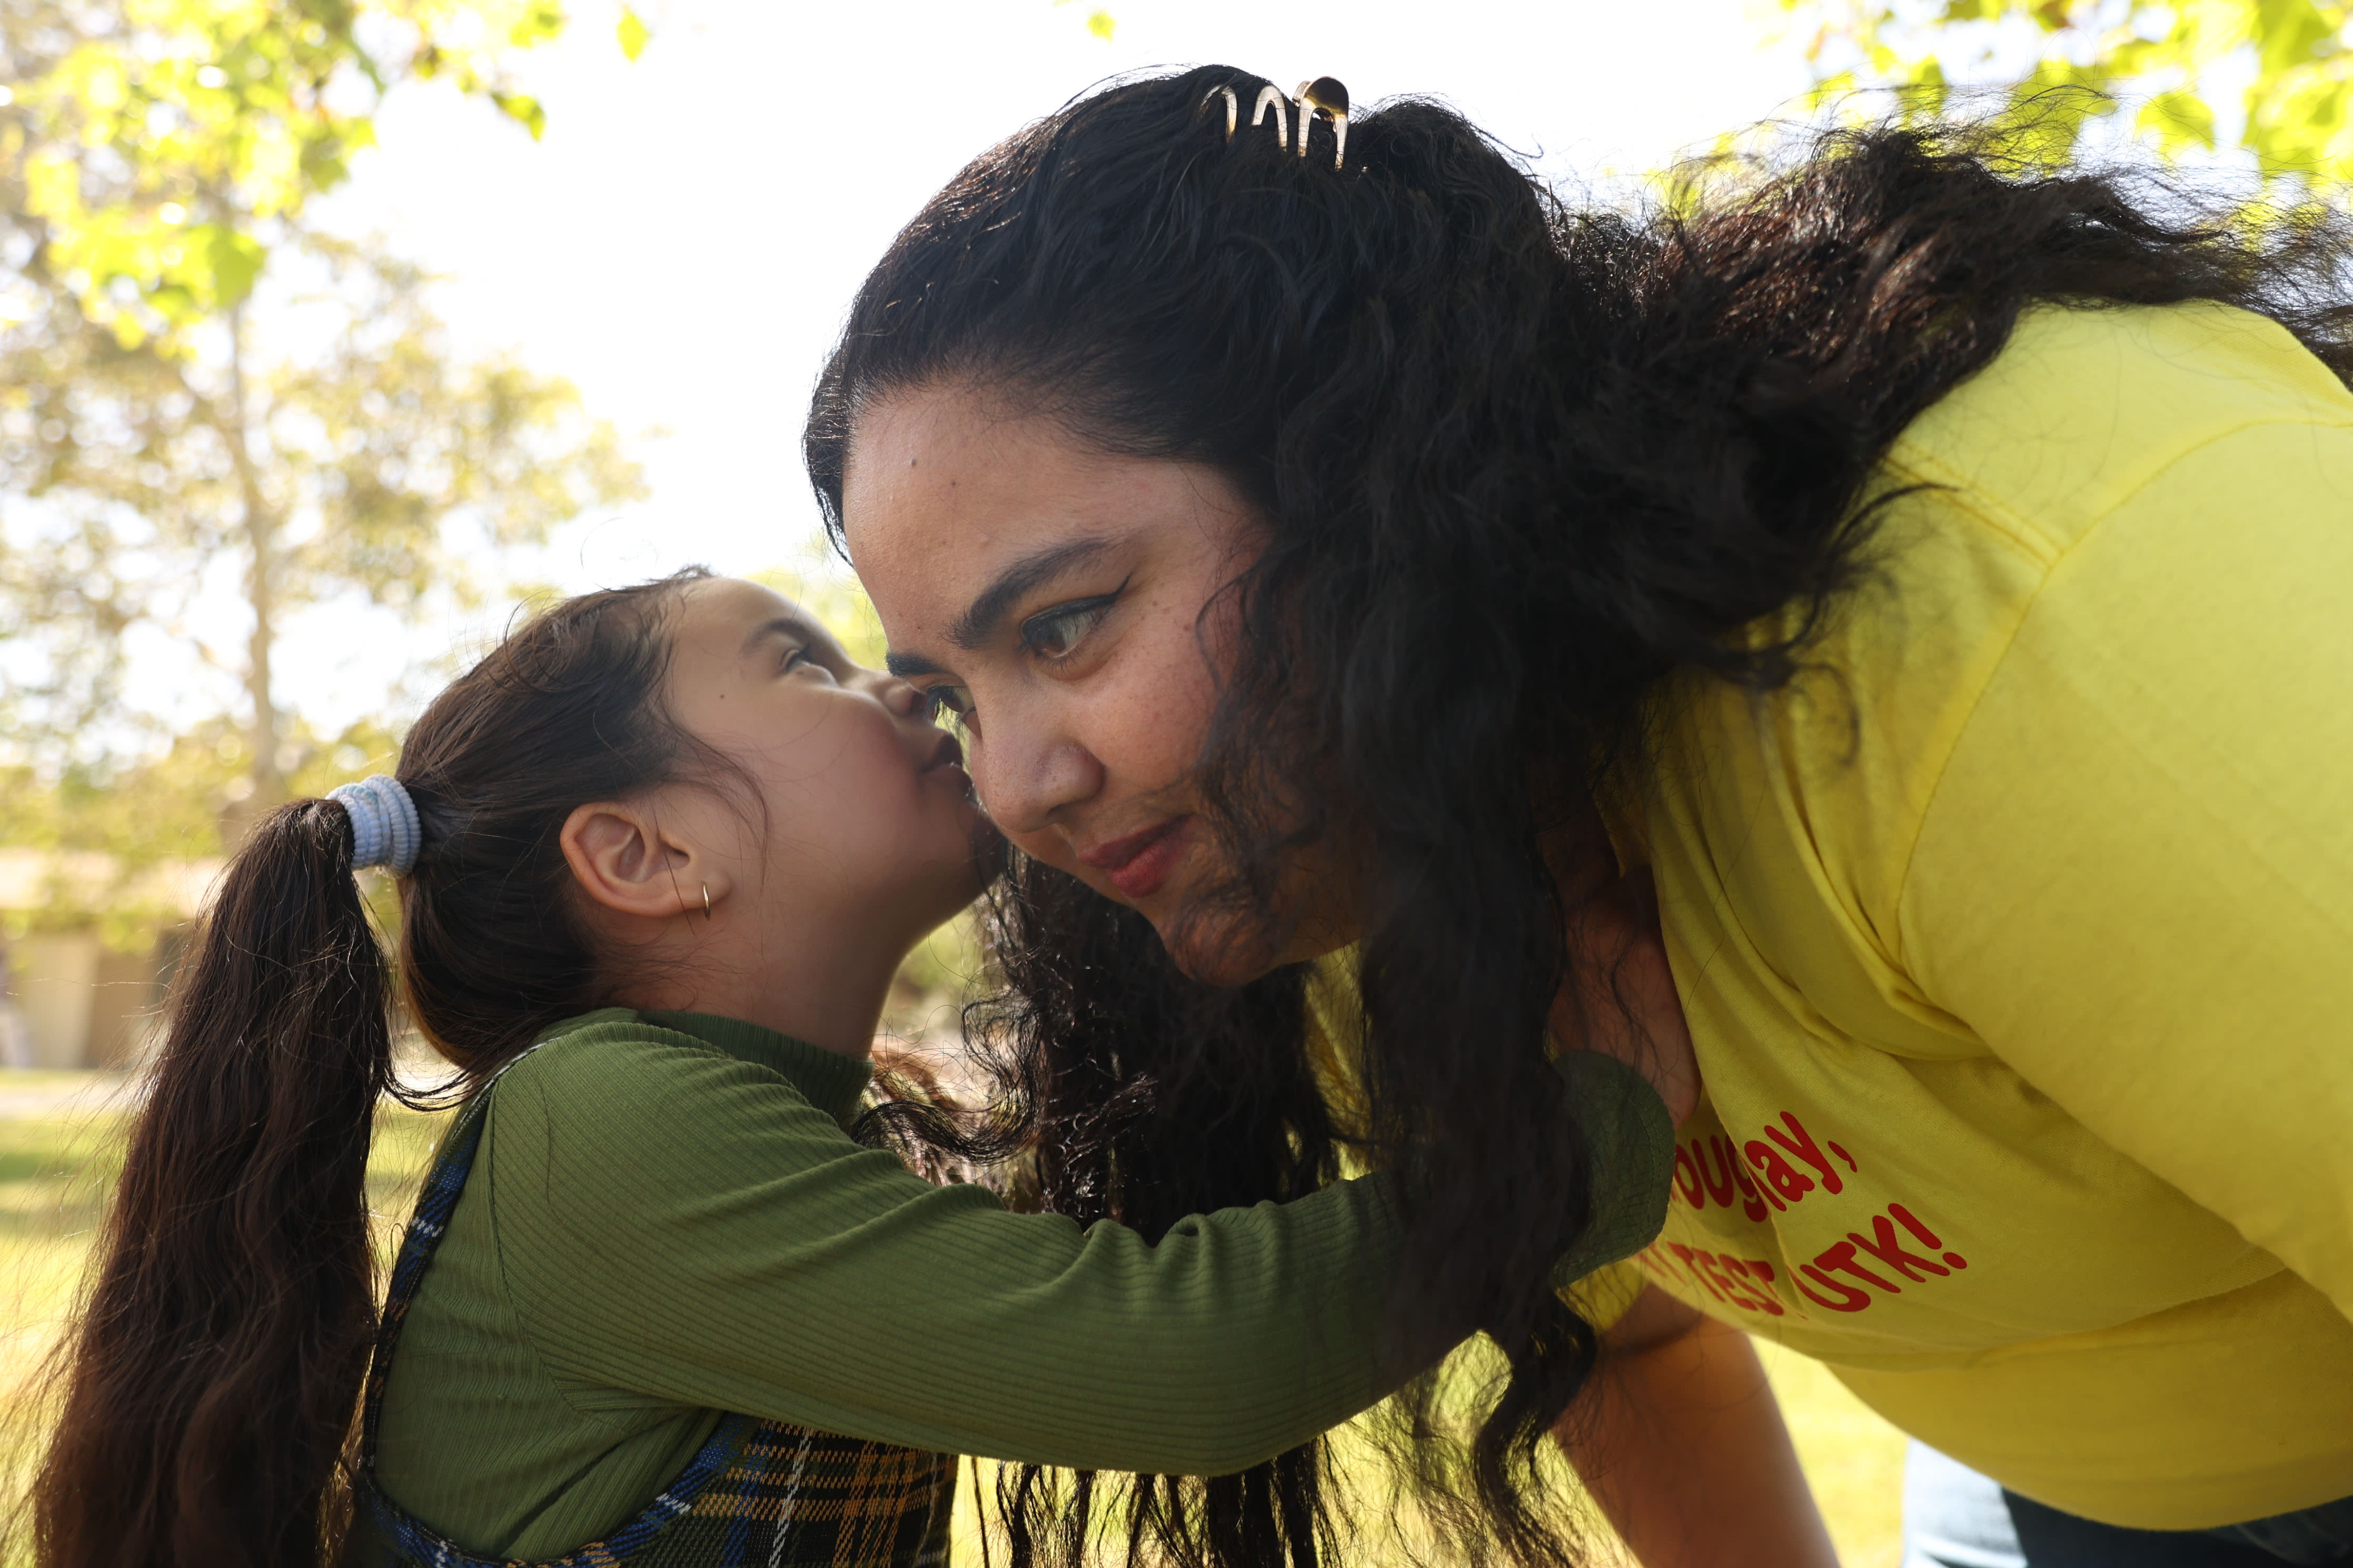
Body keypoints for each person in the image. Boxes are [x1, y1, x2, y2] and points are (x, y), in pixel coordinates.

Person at [813, 67, 2353, 1568]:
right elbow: (1633, 1337)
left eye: (1069, 625)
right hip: (2071, 1481)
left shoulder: (1990, 621)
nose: (1014, 790)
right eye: (953, 696)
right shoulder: (1336, 853)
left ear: (1374, 480)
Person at [25, 570, 1663, 1568]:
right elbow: (1195, 1359)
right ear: (645, 852)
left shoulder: (738, 1123)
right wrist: (1617, 1117)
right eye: (801, 660)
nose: (901, 685)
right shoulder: (603, 1124)